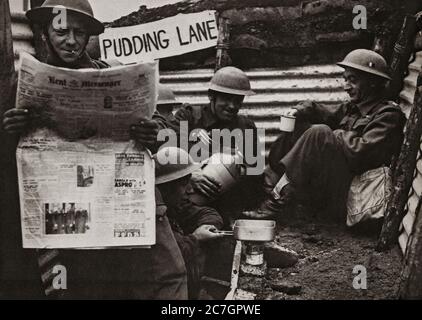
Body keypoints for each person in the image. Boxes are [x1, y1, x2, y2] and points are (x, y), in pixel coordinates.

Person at [2, 0, 187, 299]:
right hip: (65, 206)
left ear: (89, 36)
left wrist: (153, 133)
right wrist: (8, 129)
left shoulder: (111, 74)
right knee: (85, 284)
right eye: (62, 31)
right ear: (46, 32)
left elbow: (165, 129)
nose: (71, 41)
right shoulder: (24, 84)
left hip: (121, 196)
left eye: (79, 32)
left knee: (166, 276)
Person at [247, 49, 406, 222]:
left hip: (352, 194)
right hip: (331, 187)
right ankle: (272, 186)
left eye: (353, 80)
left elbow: (361, 152)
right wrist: (298, 110)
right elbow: (322, 111)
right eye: (345, 79)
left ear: (372, 83)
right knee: (300, 124)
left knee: (319, 132)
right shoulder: (353, 108)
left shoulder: (388, 114)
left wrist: (334, 134)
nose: (346, 86)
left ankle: (275, 203)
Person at [167, 66, 262, 222]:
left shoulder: (246, 126)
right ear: (211, 96)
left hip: (226, 204)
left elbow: (255, 174)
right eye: (226, 98)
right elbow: (166, 154)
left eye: (238, 100)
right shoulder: (188, 117)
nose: (232, 106)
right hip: (184, 201)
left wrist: (238, 167)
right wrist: (190, 175)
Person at [155, 146, 225, 299]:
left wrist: (204, 228)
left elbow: (209, 213)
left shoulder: (175, 205)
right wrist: (195, 238)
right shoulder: (151, 218)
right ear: (164, 188)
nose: (189, 190)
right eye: (183, 184)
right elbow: (169, 258)